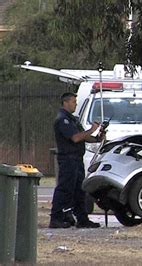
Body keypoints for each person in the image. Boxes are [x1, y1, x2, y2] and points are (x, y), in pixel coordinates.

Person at [49, 92, 104, 229]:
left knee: (79, 190)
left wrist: (97, 137)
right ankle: (56, 218)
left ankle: (82, 218)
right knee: (65, 189)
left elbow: (83, 136)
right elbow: (75, 138)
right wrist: (92, 129)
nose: (75, 105)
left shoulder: (73, 119)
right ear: (65, 102)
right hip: (68, 159)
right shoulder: (62, 120)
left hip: (77, 159)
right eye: (73, 102)